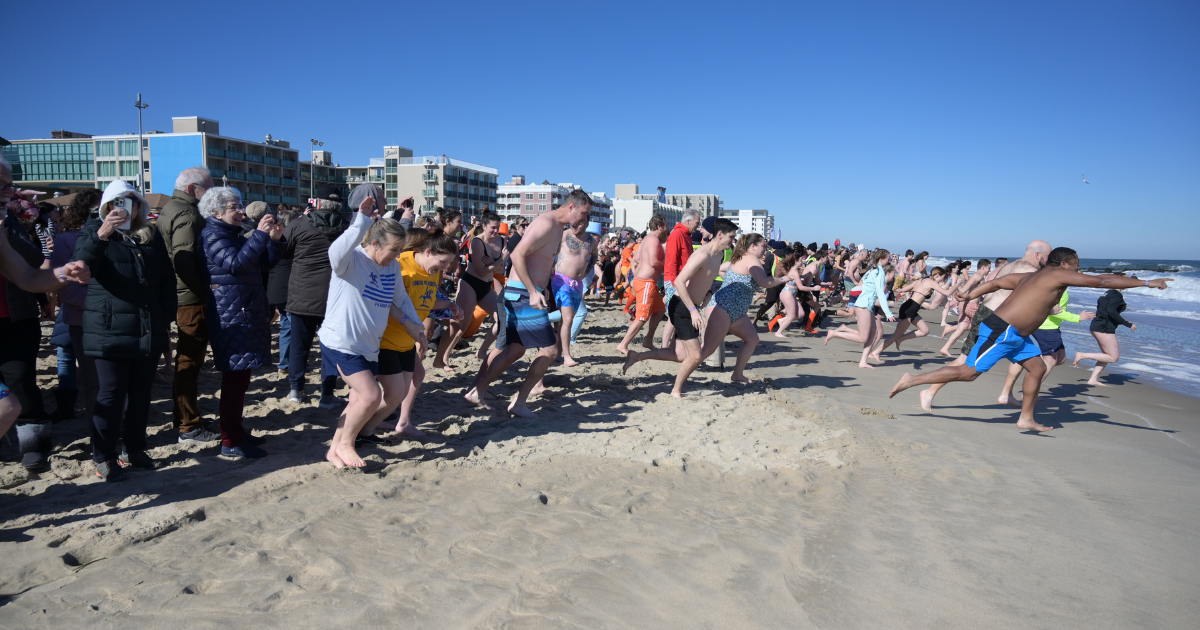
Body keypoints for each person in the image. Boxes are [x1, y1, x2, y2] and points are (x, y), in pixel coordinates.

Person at [890, 247, 1171, 432]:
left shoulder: (1034, 276)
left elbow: (999, 282)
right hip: (1002, 330)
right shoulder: (1055, 277)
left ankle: (1026, 418)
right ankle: (912, 381)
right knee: (968, 373)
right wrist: (1146, 283)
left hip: (1018, 336)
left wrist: (971, 293)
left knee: (1037, 369)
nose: (1078, 270)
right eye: (1076, 266)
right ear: (1064, 265)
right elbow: (1102, 281)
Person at [73, 181, 176, 480]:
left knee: (141, 392)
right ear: (106, 205)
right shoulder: (94, 231)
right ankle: (104, 457)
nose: (125, 208)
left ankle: (135, 449)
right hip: (109, 327)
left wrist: (165, 316)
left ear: (141, 206)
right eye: (119, 201)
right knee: (111, 394)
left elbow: (167, 280)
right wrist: (103, 233)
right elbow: (81, 266)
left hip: (148, 326)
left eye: (133, 202)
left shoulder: (150, 235)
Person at [318, 185, 425, 468]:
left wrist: (416, 326)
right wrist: (361, 223)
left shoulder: (389, 267)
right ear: (375, 244)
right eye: (393, 250)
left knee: (358, 400)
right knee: (370, 395)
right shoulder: (352, 261)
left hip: (369, 345)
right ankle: (345, 445)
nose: (396, 255)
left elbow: (400, 299)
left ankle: (334, 450)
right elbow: (334, 252)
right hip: (342, 340)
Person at [465, 189, 592, 417]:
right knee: (551, 349)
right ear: (572, 207)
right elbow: (517, 255)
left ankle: (479, 390)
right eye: (583, 213)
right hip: (522, 292)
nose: (584, 219)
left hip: (525, 292)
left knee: (514, 349)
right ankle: (519, 401)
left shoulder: (557, 228)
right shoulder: (546, 223)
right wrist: (533, 291)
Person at [200, 188, 285, 459]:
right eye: (234, 207)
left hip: (243, 311)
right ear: (216, 212)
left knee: (241, 378)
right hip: (231, 315)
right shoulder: (213, 235)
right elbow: (236, 265)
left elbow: (261, 264)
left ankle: (235, 432)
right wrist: (259, 234)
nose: (241, 211)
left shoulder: (232, 235)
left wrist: (274, 240)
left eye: (240, 206)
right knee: (234, 380)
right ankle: (229, 440)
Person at [918, 241, 1050, 410]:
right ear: (1038, 255)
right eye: (1047, 257)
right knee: (964, 362)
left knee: (1023, 356)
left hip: (1001, 320)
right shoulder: (1030, 271)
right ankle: (929, 391)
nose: (1048, 261)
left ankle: (1006, 393)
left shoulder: (1009, 266)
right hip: (994, 318)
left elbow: (993, 285)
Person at [622, 218, 739, 396]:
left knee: (679, 354)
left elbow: (705, 280)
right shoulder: (703, 254)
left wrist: (706, 297)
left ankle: (636, 356)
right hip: (682, 306)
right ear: (720, 235)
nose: (733, 240)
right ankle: (676, 390)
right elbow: (679, 282)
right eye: (731, 236)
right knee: (696, 356)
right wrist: (693, 311)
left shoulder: (719, 255)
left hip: (691, 306)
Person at [363, 229, 460, 440]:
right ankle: (357, 427)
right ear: (427, 251)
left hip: (408, 341)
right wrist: (408, 323)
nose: (444, 269)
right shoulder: (400, 264)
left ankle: (370, 429)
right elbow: (384, 300)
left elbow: (426, 301)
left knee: (403, 389)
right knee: (388, 394)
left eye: (448, 265)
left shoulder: (432, 273)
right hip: (385, 339)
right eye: (442, 262)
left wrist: (449, 306)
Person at [157, 166, 219, 444]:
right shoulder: (188, 213)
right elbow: (183, 259)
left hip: (182, 294)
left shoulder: (172, 208)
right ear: (193, 189)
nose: (211, 194)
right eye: (209, 188)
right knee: (189, 362)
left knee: (188, 360)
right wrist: (206, 290)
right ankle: (188, 425)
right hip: (190, 298)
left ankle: (184, 418)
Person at [282, 198, 348, 405]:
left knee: (299, 346)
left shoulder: (299, 224)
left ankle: (296, 390)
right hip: (334, 295)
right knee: (329, 348)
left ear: (318, 204)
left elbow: (283, 251)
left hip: (303, 293)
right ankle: (327, 394)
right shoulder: (347, 227)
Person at [50, 190, 103, 424]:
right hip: (79, 316)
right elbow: (64, 286)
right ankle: (71, 409)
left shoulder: (122, 237)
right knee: (74, 361)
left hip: (111, 317)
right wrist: (100, 305)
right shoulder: (66, 239)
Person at [996, 288, 1094, 405]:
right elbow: (1052, 310)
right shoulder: (1059, 288)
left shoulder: (1056, 284)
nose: (1078, 270)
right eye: (1077, 269)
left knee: (1061, 358)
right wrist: (1077, 318)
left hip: (1045, 325)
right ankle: (1030, 390)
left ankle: (1031, 371)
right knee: (1050, 361)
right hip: (1047, 328)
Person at [438, 210, 507, 371]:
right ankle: (444, 358)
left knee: (502, 320)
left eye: (498, 228)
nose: (496, 231)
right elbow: (483, 270)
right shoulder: (477, 242)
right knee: (461, 326)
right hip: (470, 284)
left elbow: (499, 269)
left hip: (486, 287)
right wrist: (499, 260)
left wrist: (494, 263)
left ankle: (482, 351)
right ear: (483, 226)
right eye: (492, 228)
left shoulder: (502, 241)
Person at [825, 249, 896, 368]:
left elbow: (862, 286)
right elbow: (880, 292)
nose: (890, 260)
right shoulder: (879, 271)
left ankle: (863, 361)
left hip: (866, 304)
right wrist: (888, 313)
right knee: (863, 338)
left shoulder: (872, 270)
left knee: (873, 334)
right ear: (882, 259)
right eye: (889, 258)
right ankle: (834, 333)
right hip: (863, 305)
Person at [871, 266, 957, 356]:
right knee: (895, 335)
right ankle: (876, 352)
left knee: (925, 331)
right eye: (943, 278)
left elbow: (903, 289)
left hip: (910, 307)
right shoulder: (931, 282)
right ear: (938, 275)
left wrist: (899, 289)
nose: (942, 281)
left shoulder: (921, 280)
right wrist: (957, 284)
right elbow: (947, 293)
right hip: (909, 309)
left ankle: (900, 339)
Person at [617, 215, 668, 354]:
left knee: (660, 310)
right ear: (659, 227)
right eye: (665, 225)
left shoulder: (646, 239)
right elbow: (653, 262)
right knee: (642, 316)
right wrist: (668, 266)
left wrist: (635, 277)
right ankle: (623, 344)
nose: (667, 228)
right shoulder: (653, 240)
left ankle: (648, 340)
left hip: (643, 281)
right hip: (646, 283)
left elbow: (637, 259)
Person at [551, 217, 598, 366]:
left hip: (577, 285)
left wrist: (587, 271)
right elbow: (550, 253)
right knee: (568, 318)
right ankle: (567, 357)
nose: (574, 226)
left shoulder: (591, 241)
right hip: (560, 281)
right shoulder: (564, 235)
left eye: (579, 223)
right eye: (573, 223)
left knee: (561, 322)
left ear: (586, 224)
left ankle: (558, 354)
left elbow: (594, 257)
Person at [1074, 286, 1136, 386]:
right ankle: (1082, 355)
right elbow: (1111, 311)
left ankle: (1093, 379)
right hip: (1104, 328)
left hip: (1098, 325)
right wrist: (1128, 324)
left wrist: (1120, 322)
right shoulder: (1117, 295)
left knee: (1106, 355)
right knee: (1113, 358)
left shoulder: (1106, 294)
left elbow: (1106, 312)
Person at [660, 210, 701, 347]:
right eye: (697, 223)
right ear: (688, 221)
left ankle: (672, 345)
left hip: (681, 281)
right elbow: (671, 261)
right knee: (673, 316)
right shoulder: (677, 234)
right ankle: (665, 346)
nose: (698, 226)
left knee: (676, 316)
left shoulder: (686, 235)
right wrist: (673, 283)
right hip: (675, 281)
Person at [266, 208, 298, 372]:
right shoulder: (287, 241)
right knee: (289, 326)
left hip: (273, 288)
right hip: (285, 288)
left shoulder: (269, 240)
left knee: (284, 325)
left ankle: (283, 362)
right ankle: (284, 363)